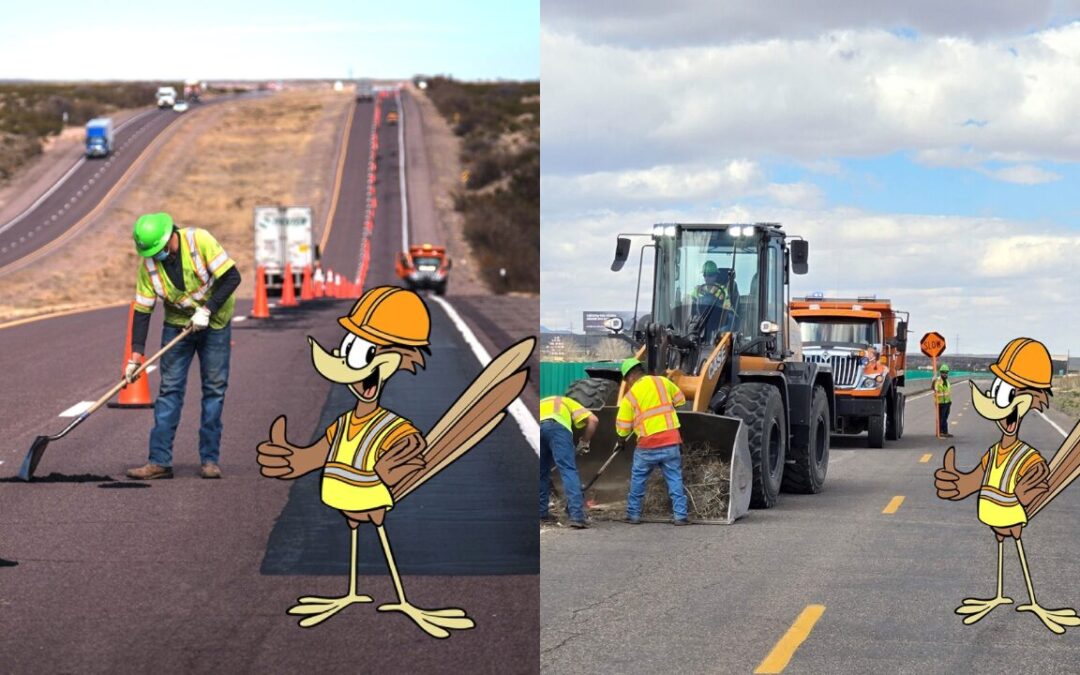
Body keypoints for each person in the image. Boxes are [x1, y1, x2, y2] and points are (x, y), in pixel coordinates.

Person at [125, 212, 241, 479]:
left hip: (215, 324)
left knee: (214, 390)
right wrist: (135, 356)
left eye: (158, 250)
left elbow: (233, 277)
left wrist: (207, 310)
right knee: (169, 390)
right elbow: (142, 310)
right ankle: (159, 462)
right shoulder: (149, 266)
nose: (156, 256)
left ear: (169, 238)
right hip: (177, 325)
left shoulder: (200, 241)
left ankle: (210, 460)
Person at [616, 358, 690, 525]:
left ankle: (633, 515)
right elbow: (680, 400)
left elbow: (623, 425)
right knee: (675, 479)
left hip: (647, 445)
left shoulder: (630, 396)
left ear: (630, 377)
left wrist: (621, 439)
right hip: (671, 441)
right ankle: (680, 516)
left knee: (638, 479)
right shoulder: (663, 382)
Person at [539, 395, 598, 528]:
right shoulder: (567, 401)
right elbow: (593, 420)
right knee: (568, 470)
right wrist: (584, 441)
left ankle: (541, 514)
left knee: (541, 473)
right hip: (557, 429)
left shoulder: (541, 403)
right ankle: (577, 516)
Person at [935, 363, 953, 438]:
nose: (945, 374)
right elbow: (935, 389)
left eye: (946, 372)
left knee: (945, 418)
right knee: (941, 418)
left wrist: (950, 401)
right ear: (941, 373)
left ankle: (944, 432)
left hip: (947, 402)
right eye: (943, 372)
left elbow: (948, 392)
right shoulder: (938, 381)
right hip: (941, 403)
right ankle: (941, 432)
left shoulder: (947, 381)